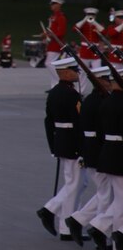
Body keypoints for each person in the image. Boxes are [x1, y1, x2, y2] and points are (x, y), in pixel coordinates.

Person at [64, 64, 112, 246]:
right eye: (107, 81)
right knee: (106, 194)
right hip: (97, 151)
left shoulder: (92, 100)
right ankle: (99, 229)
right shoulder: (99, 102)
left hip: (91, 150)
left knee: (105, 193)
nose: (109, 84)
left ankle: (79, 220)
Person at [37, 55, 85, 239]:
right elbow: (79, 122)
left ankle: (66, 227)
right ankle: (50, 210)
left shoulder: (55, 93)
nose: (77, 74)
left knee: (75, 182)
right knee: (75, 183)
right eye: (74, 70)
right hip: (72, 142)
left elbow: (48, 122)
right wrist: (82, 147)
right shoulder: (72, 95)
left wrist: (53, 146)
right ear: (65, 73)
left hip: (61, 141)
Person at [88, 63, 123, 250]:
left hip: (108, 153)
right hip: (119, 154)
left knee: (119, 199)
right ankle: (110, 235)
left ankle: (102, 227)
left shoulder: (106, 102)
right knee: (120, 200)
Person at [76, 7, 104, 94]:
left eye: (92, 15)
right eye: (88, 15)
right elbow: (75, 28)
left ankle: (99, 91)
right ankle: (80, 91)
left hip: (95, 52)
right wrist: (85, 19)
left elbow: (104, 32)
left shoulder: (98, 24)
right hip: (85, 51)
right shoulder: (83, 24)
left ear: (95, 16)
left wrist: (94, 22)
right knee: (82, 73)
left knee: (98, 73)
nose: (90, 16)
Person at [42, 0, 68, 89]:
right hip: (52, 43)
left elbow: (61, 32)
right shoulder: (53, 17)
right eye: (51, 4)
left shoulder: (61, 17)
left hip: (57, 43)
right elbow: (51, 30)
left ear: (58, 5)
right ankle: (54, 86)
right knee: (52, 63)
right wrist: (46, 34)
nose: (51, 6)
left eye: (53, 4)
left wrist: (50, 35)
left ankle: (60, 81)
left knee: (49, 63)